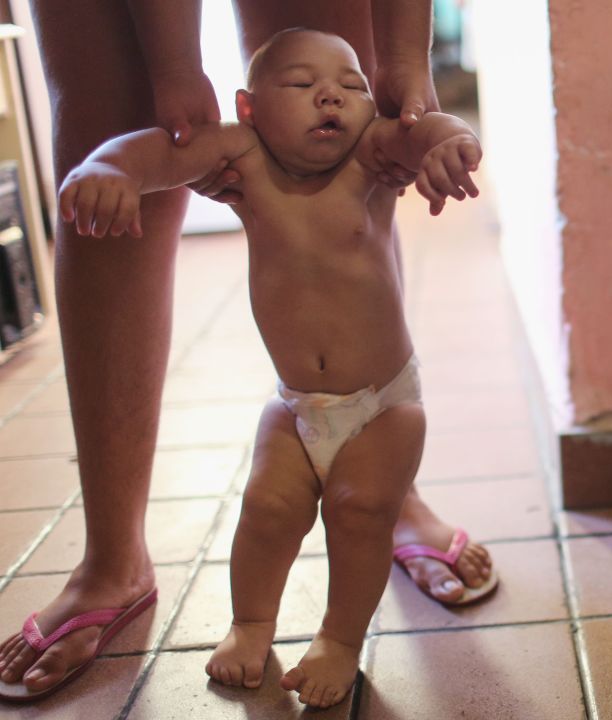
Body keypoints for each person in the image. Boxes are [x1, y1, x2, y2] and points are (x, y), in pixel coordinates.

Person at [0, 0, 492, 704]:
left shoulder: (370, 152)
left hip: (383, 407)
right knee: (265, 513)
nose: (333, 96)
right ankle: (230, 614)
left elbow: (420, 128)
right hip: (295, 404)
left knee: (358, 512)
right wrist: (110, 165)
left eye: (349, 87)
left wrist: (438, 125)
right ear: (248, 109)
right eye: (300, 88)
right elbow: (156, 150)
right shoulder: (239, 152)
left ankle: (341, 636)